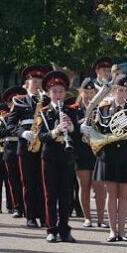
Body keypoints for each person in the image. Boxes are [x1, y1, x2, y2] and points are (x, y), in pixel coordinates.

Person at [92, 75, 127, 242]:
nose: (123, 93)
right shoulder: (104, 108)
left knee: (124, 195)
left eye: (126, 90)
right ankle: (113, 231)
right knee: (111, 194)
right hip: (109, 155)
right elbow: (97, 131)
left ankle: (123, 231)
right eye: (120, 90)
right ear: (113, 91)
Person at [36, 71, 77, 242]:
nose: (58, 95)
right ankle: (51, 229)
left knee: (66, 195)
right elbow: (41, 136)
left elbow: (79, 135)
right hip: (50, 157)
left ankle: (64, 229)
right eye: (55, 91)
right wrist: (56, 131)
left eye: (61, 91)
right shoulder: (43, 113)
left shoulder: (71, 111)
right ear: (48, 93)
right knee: (50, 195)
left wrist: (71, 127)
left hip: (66, 157)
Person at [9, 64, 49, 228]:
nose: (37, 82)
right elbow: (10, 125)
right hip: (26, 147)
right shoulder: (19, 101)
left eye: (40, 80)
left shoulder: (47, 100)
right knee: (28, 182)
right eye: (34, 79)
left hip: (44, 146)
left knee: (43, 182)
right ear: (28, 81)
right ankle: (30, 216)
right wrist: (22, 133)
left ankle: (43, 215)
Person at [70, 78, 107, 228]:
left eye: (92, 92)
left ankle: (101, 219)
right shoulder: (74, 109)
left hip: (98, 152)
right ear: (81, 92)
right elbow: (71, 130)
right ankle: (87, 218)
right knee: (84, 185)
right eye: (86, 92)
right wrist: (80, 127)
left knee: (99, 186)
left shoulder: (101, 109)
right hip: (81, 151)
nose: (89, 95)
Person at [2, 86, 26, 219]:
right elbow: (2, 132)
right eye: (12, 101)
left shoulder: (26, 115)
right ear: (8, 103)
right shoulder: (4, 119)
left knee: (27, 180)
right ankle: (17, 207)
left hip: (24, 148)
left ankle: (28, 207)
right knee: (13, 180)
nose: (15, 103)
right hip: (11, 149)